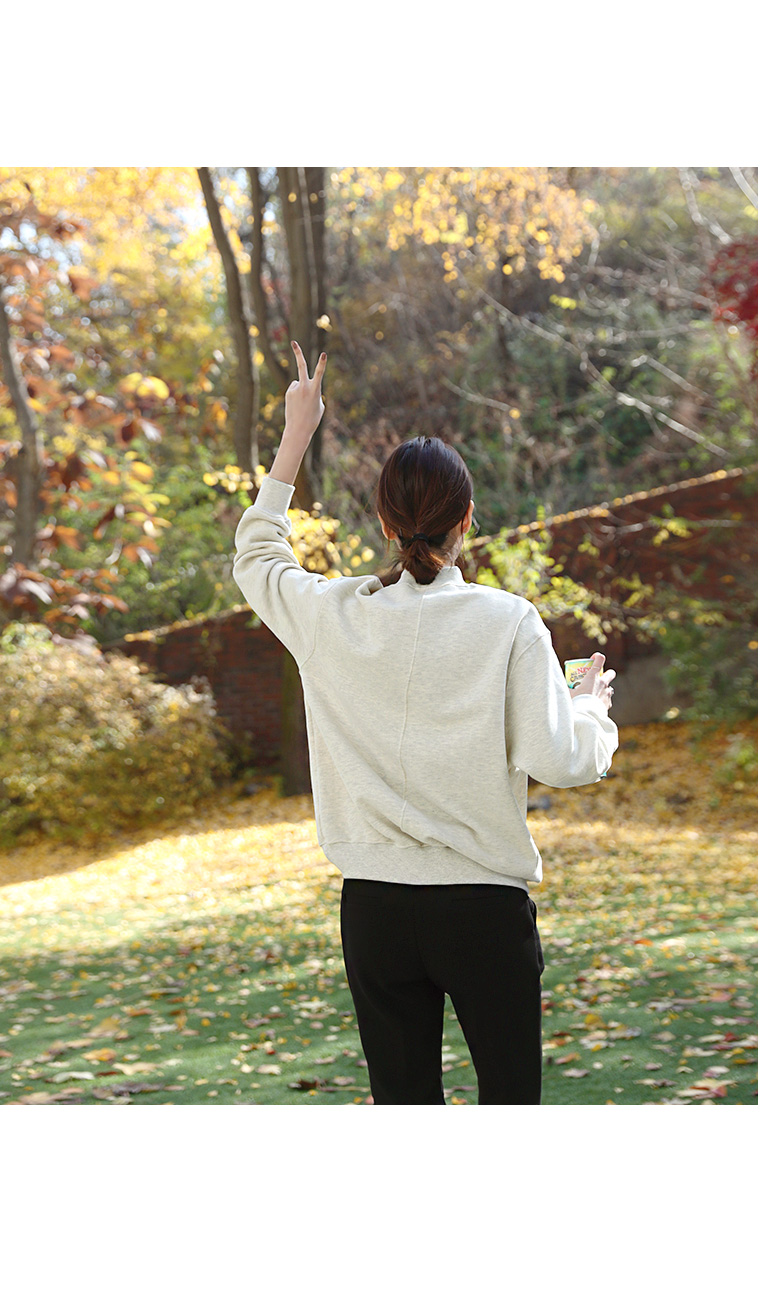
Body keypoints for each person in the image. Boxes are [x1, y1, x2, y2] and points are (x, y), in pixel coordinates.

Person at [232, 341, 618, 1105]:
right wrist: (590, 704)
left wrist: (296, 434)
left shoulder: (332, 615)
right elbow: (564, 759)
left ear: (384, 522)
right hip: (483, 912)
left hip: (373, 911)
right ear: (467, 520)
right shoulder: (508, 620)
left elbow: (256, 556)